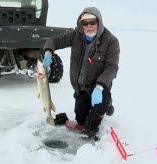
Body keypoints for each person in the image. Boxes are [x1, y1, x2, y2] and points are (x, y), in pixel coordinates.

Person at [43, 7, 120, 136]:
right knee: (81, 119)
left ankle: (107, 103)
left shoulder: (111, 41)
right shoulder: (76, 35)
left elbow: (112, 68)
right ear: (81, 24)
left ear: (99, 22)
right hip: (81, 87)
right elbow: (54, 41)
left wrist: (100, 87)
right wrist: (48, 51)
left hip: (98, 86)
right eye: (85, 23)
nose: (89, 26)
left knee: (92, 122)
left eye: (92, 22)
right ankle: (91, 103)